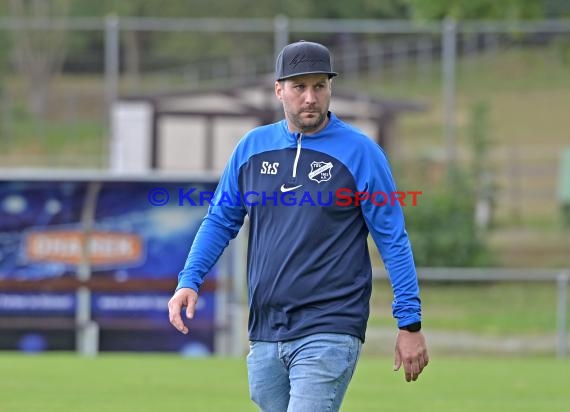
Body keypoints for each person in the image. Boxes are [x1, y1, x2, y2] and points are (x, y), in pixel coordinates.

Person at [168, 40, 429, 411]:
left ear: (330, 89)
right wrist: (189, 279)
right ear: (279, 90)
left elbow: (392, 238)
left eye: (319, 86)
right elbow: (220, 219)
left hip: (331, 326)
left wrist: (410, 324)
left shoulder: (361, 152)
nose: (310, 97)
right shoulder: (251, 148)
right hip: (266, 330)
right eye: (299, 87)